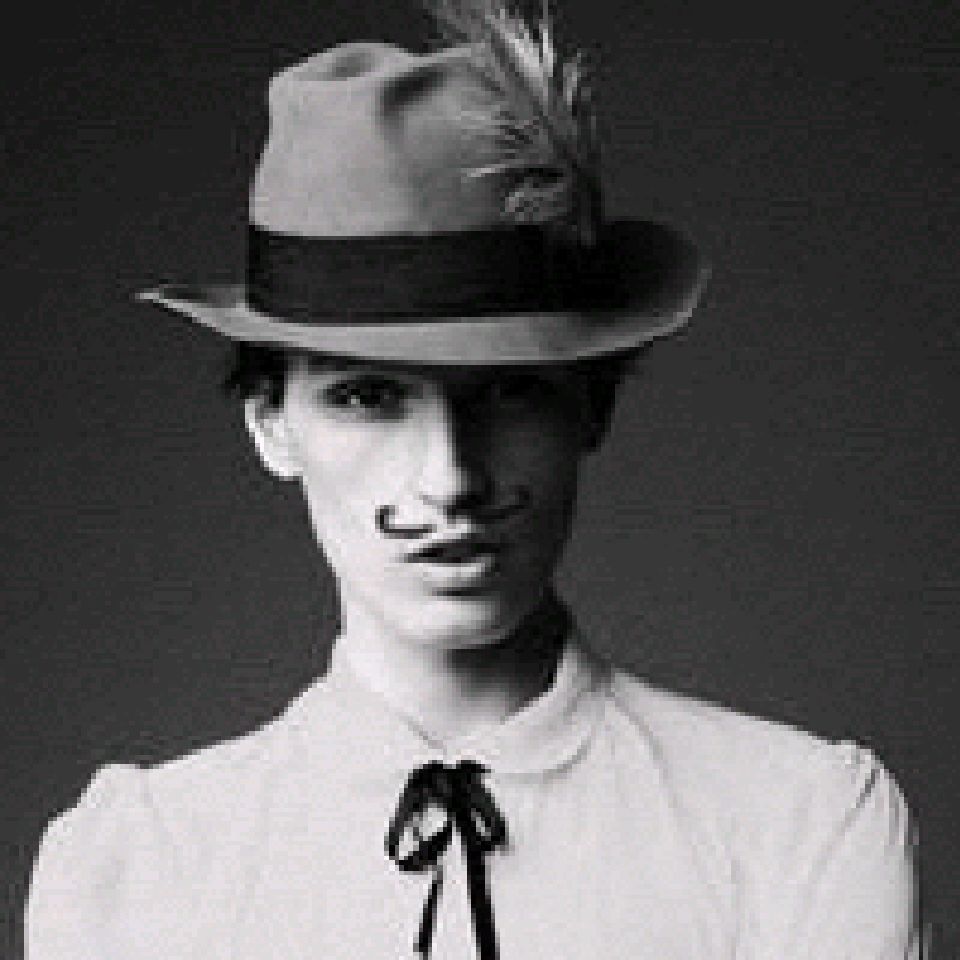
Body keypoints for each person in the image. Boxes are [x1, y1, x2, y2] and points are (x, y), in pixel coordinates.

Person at [25, 2, 918, 958]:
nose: (449, 478)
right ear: (269, 422)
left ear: (593, 404)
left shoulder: (797, 823)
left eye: (509, 390)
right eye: (368, 397)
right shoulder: (136, 865)